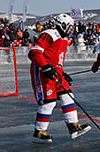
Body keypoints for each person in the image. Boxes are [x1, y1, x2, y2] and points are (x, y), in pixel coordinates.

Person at [28, 13, 91, 143]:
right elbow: (34, 52)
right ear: (62, 25)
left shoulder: (64, 39)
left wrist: (62, 72)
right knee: (49, 102)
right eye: (69, 27)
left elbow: (57, 59)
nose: (71, 30)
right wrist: (45, 67)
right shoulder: (50, 34)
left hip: (55, 71)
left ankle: (73, 126)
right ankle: (39, 131)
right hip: (42, 71)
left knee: (68, 95)